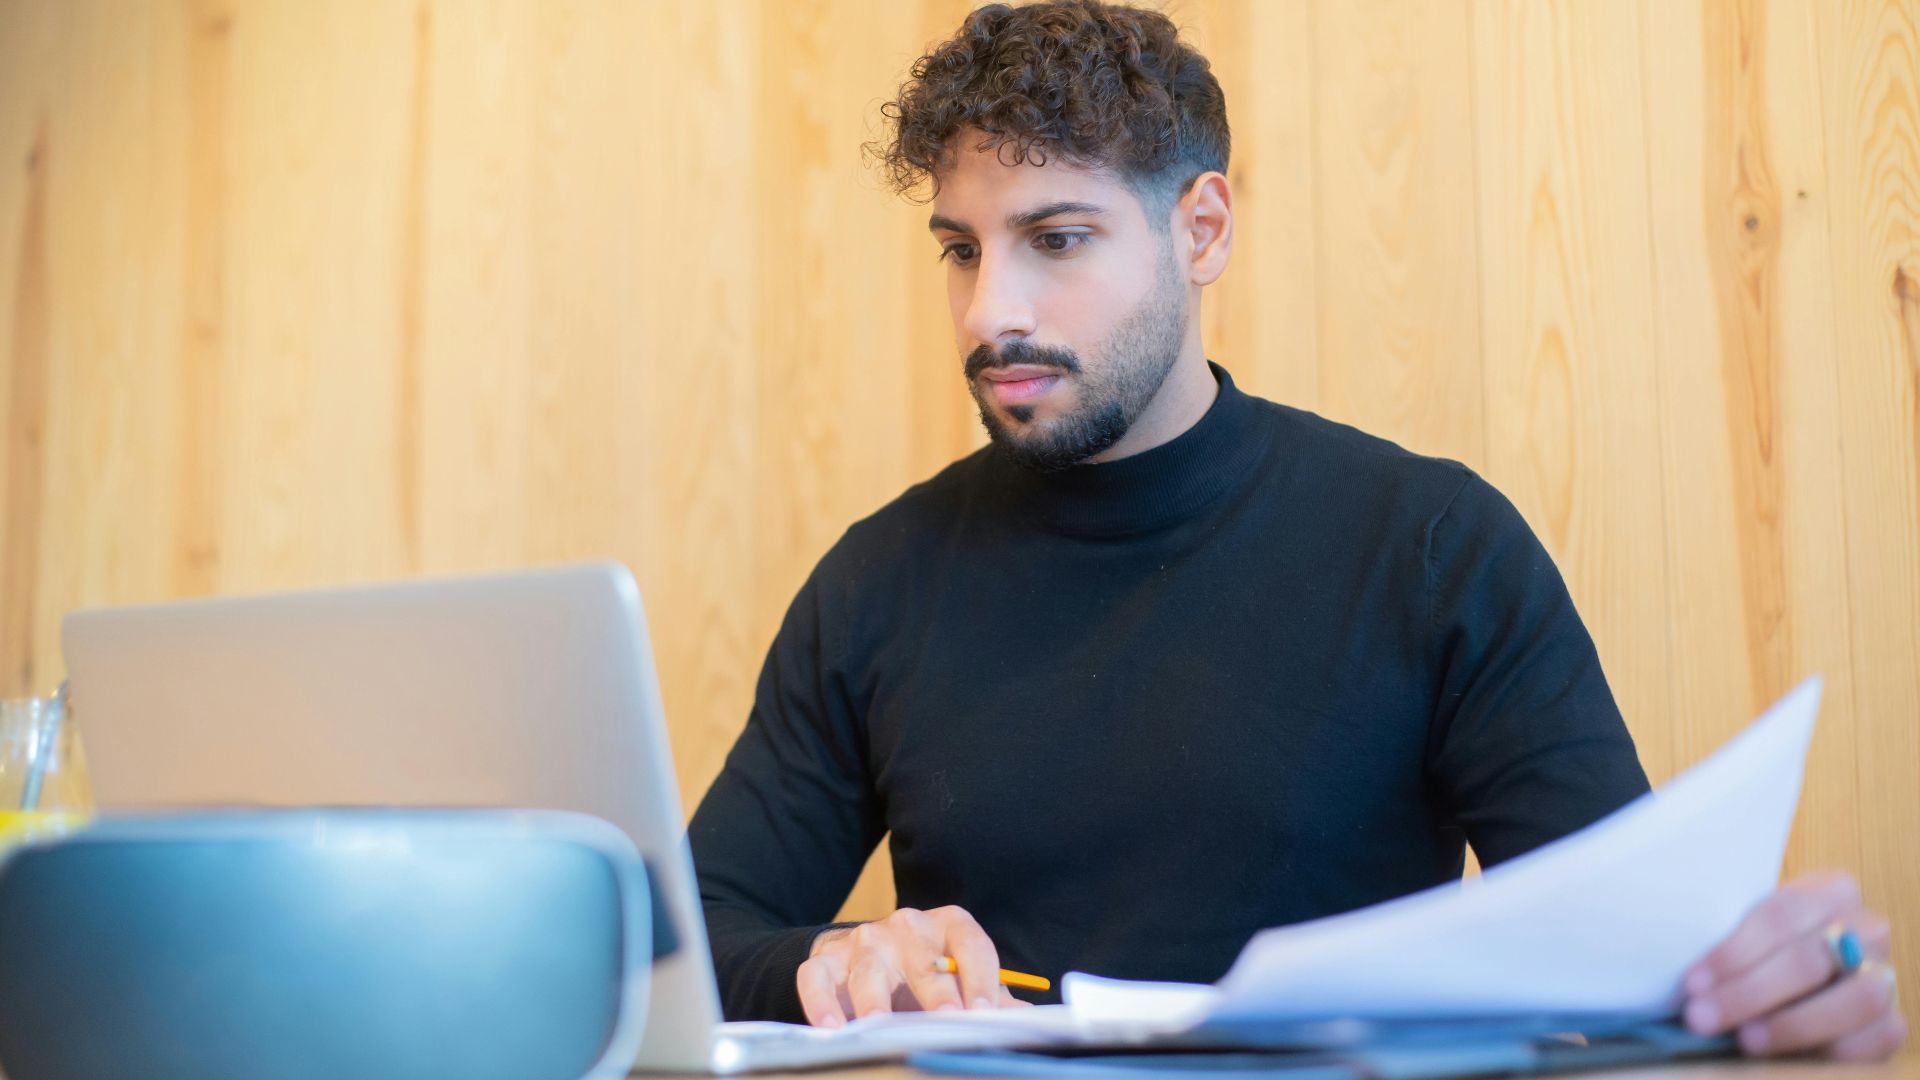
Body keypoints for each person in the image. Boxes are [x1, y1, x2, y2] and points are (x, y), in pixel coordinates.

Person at [686, 0, 1903, 1060]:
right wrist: (833, 959)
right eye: (962, 250)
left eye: (1057, 240)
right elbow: (687, 947)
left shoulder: (1433, 547)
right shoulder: (879, 581)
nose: (989, 310)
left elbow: (1639, 974)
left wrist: (1777, 988)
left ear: (1202, 229)